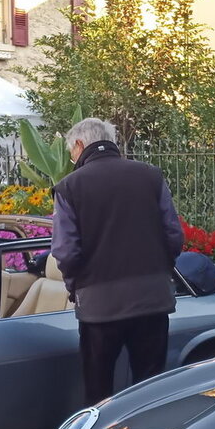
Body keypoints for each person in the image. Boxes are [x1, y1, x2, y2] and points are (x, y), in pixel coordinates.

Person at [51, 118, 185, 404]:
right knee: (150, 390)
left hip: (99, 307)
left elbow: (66, 252)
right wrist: (159, 272)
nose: (72, 157)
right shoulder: (150, 176)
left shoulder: (69, 187)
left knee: (99, 395)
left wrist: (76, 287)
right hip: (152, 300)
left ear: (79, 145)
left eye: (71, 151)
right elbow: (174, 236)